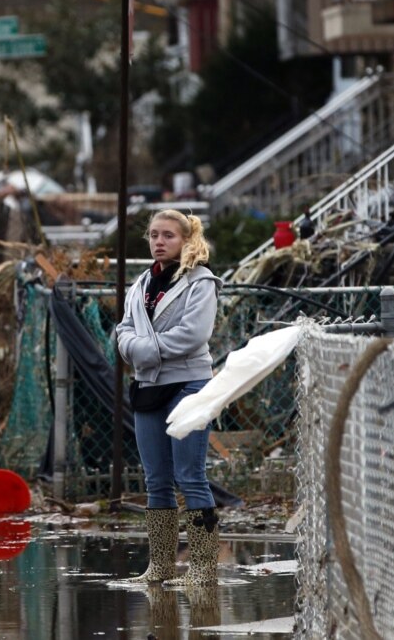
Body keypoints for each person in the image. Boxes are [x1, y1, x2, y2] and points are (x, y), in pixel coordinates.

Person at [115, 209, 222, 587]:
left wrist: (144, 350)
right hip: (148, 388)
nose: (159, 241)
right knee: (156, 480)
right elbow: (123, 331)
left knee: (190, 475)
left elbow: (193, 335)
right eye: (154, 235)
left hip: (189, 383)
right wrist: (135, 347)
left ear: (186, 240)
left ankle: (203, 568)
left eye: (169, 236)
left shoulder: (201, 282)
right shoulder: (141, 283)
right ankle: (160, 565)